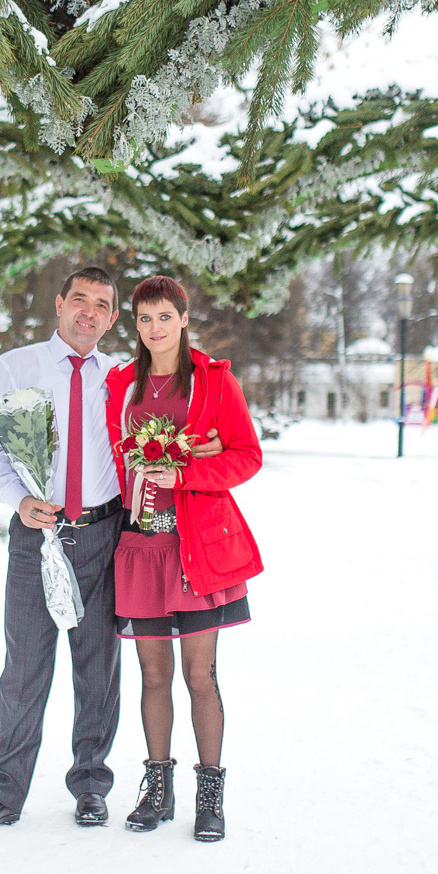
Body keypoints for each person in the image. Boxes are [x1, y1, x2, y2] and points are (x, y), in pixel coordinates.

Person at [0, 266, 126, 832]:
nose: (89, 313)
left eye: (101, 305)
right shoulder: (16, 367)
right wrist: (17, 500)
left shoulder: (120, 377)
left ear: (111, 318)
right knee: (25, 666)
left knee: (98, 668)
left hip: (105, 536)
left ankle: (91, 786)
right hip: (38, 535)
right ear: (59, 304)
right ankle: (2, 795)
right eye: (80, 300)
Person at [103, 276, 264, 842]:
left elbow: (247, 456)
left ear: (184, 318)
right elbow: (112, 457)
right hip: (141, 545)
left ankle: (210, 792)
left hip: (195, 546)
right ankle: (157, 789)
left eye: (165, 317)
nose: (154, 329)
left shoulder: (215, 382)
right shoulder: (122, 384)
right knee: (151, 674)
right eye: (144, 319)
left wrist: (189, 470)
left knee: (200, 674)